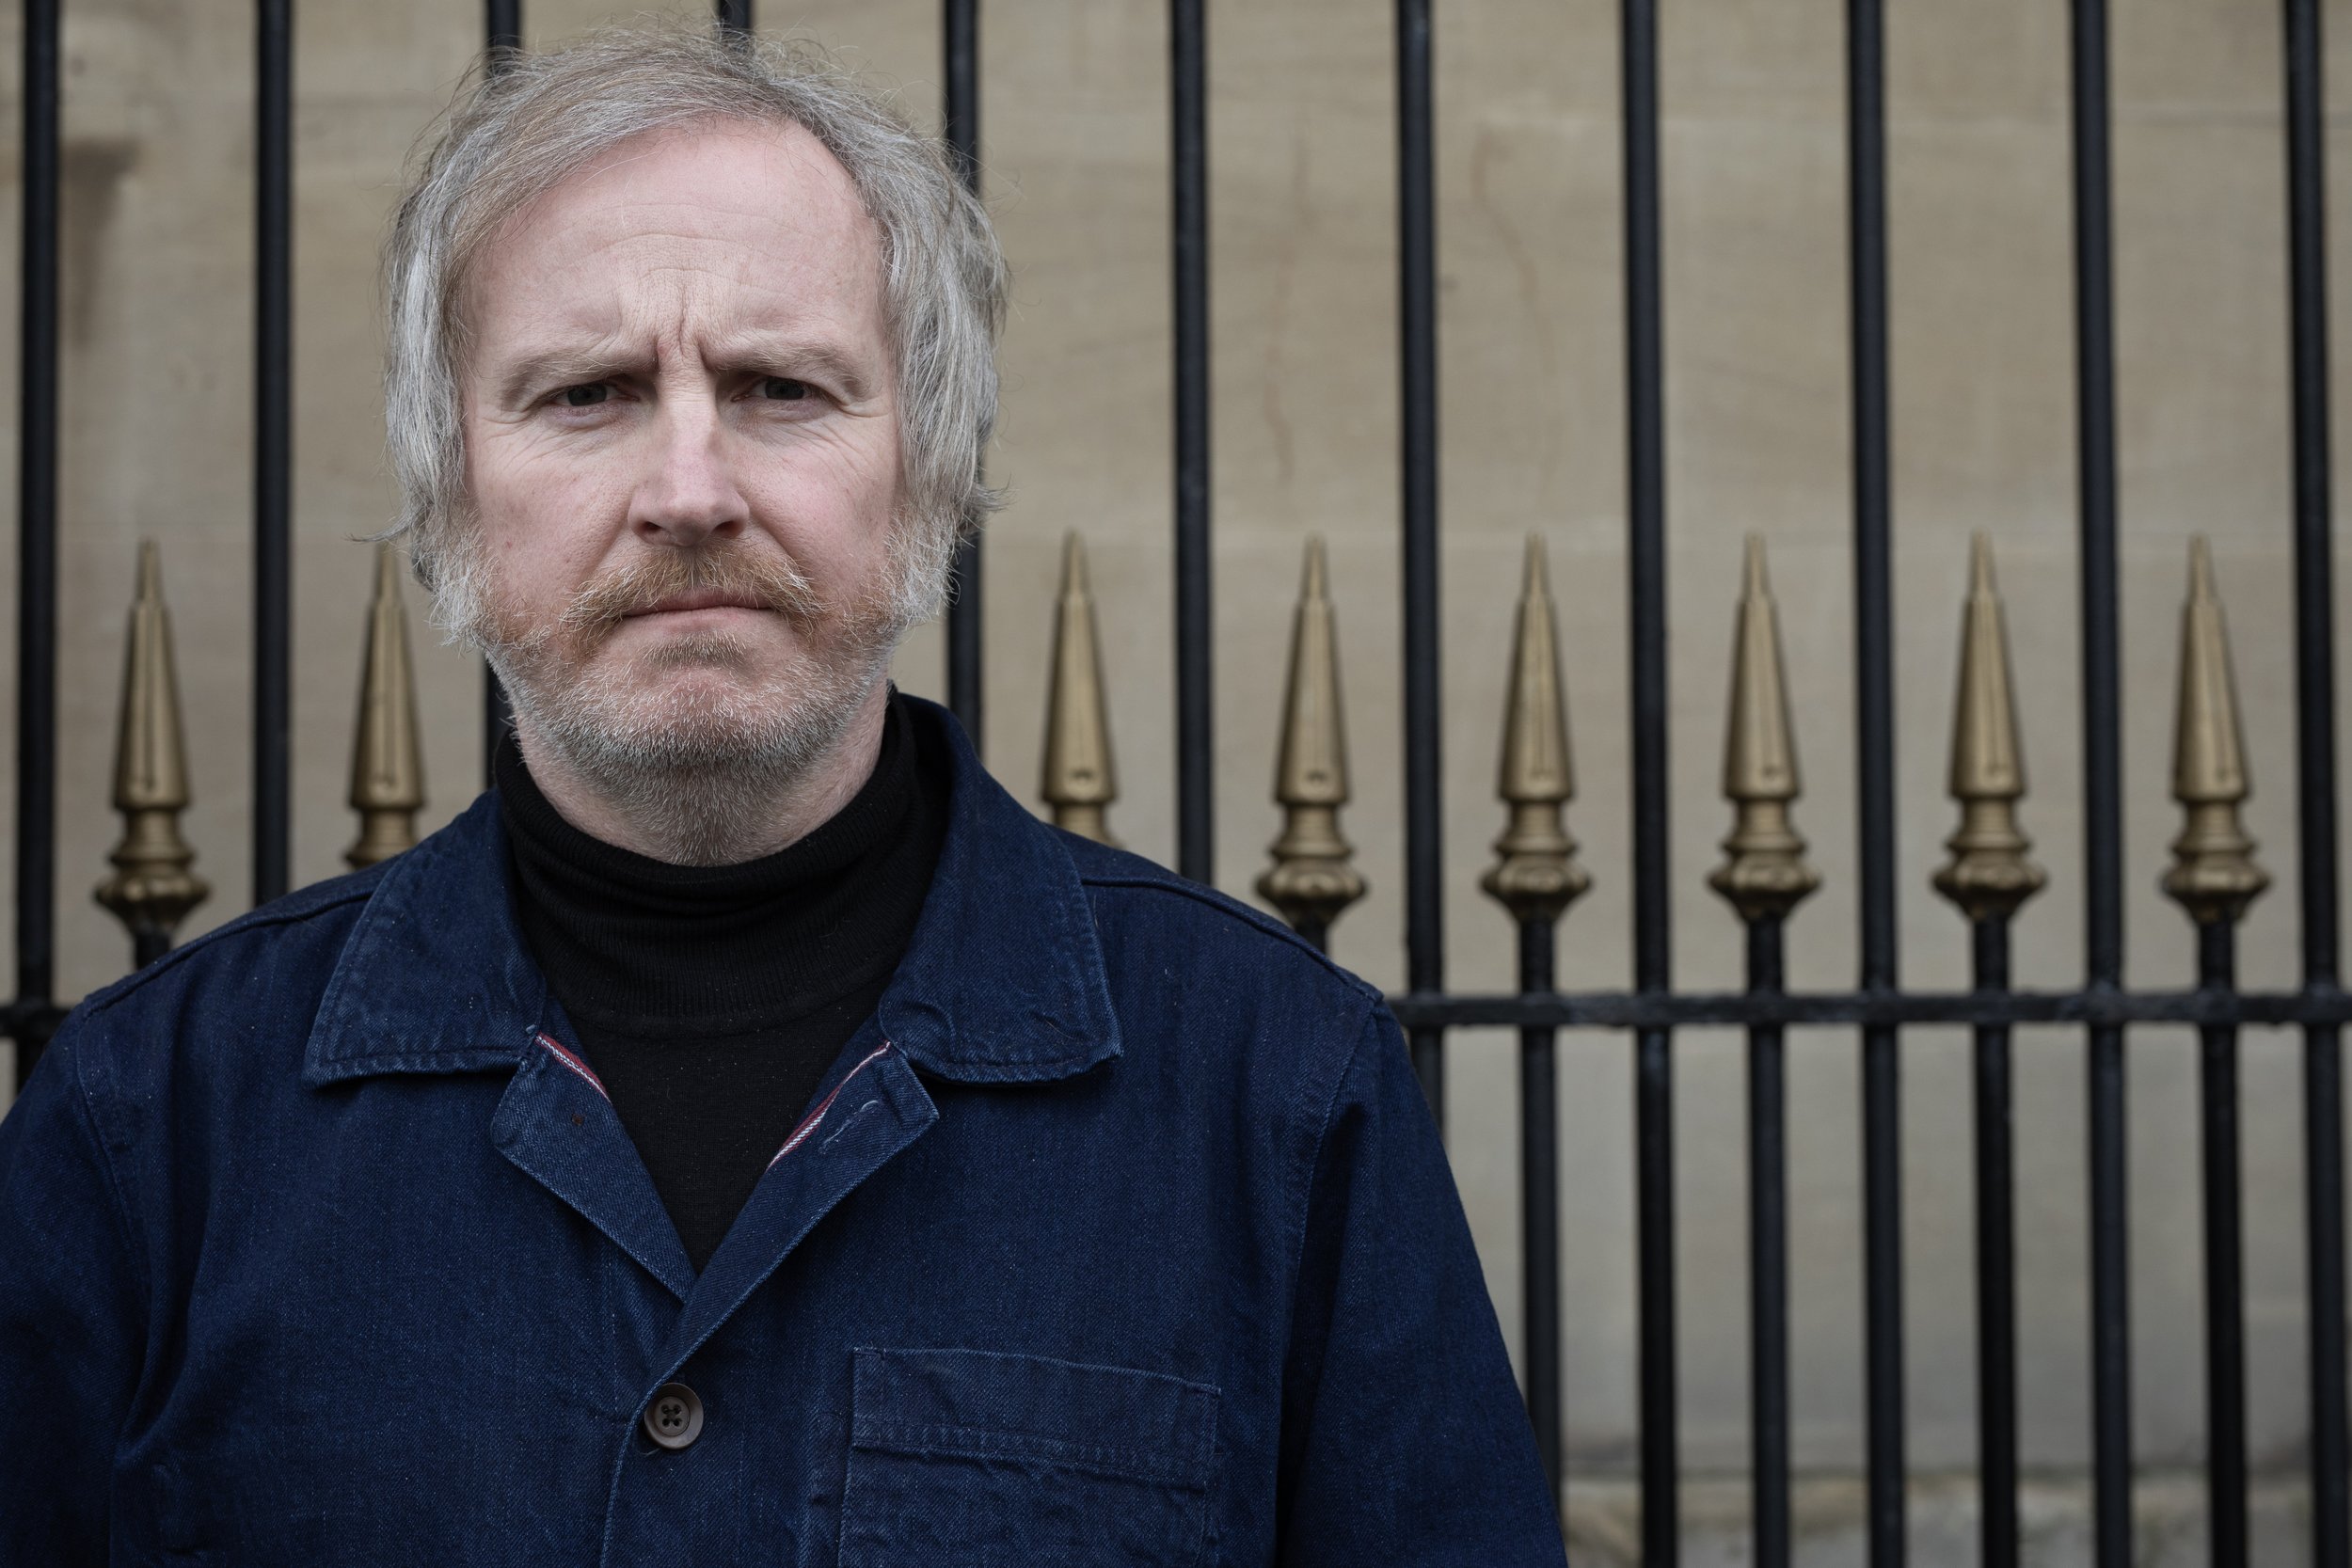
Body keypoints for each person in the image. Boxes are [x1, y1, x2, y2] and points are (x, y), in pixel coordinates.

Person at [0, 22, 1562, 1564]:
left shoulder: (1280, 1088)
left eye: (781, 389)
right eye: (588, 394)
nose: (690, 491)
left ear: (933, 467)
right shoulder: (152, 1128)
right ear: (447, 487)